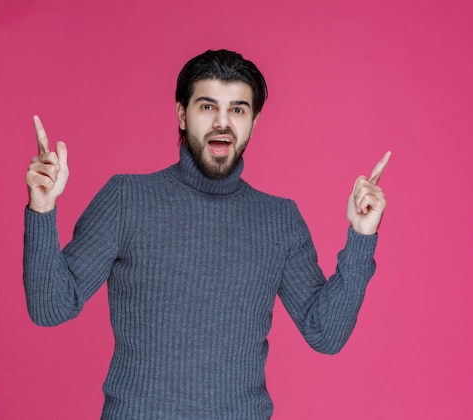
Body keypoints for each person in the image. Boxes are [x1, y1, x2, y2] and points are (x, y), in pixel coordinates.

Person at [24, 49, 390, 419]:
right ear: (182, 114)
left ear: (254, 121)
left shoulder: (280, 220)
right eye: (207, 107)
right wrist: (42, 208)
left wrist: (361, 237)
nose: (222, 122)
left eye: (237, 110)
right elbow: (49, 307)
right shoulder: (127, 199)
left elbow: (325, 335)